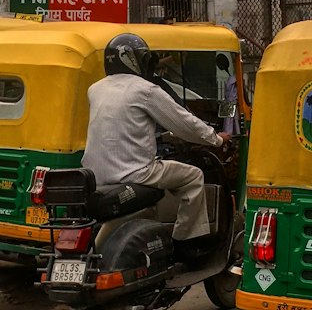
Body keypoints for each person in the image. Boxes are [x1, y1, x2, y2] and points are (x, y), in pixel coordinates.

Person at [83, 33, 229, 260]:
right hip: (137, 174)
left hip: (96, 176)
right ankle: (184, 243)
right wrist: (216, 139)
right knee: (193, 177)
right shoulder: (146, 90)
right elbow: (184, 124)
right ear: (135, 60)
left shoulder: (95, 89)